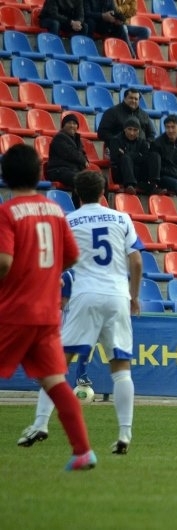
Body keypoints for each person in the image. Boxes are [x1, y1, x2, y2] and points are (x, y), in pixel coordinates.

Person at [18, 170, 143, 456]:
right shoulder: (122, 218)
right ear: (103, 192)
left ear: (76, 193)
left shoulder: (68, 220)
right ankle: (124, 434)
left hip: (85, 294)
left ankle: (40, 424)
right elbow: (136, 261)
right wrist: (134, 296)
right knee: (121, 369)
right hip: (118, 296)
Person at [0, 144, 95, 471]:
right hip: (47, 312)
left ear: (6, 175)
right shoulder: (55, 210)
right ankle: (82, 452)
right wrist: (46, 274)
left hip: (15, 311)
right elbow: (71, 256)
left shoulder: (8, 212)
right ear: (39, 174)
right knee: (55, 382)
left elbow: (4, 262)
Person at [108, 117, 162, 195]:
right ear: (124, 129)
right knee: (125, 158)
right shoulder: (115, 140)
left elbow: (145, 157)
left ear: (139, 131)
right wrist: (137, 155)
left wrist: (127, 153)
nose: (132, 133)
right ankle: (129, 185)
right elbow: (115, 158)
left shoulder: (142, 142)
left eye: (135, 130)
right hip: (121, 173)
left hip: (139, 172)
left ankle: (154, 184)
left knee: (155, 155)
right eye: (129, 129)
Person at [46, 114, 89, 204]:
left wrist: (85, 161)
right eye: (69, 123)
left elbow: (83, 154)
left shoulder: (77, 139)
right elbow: (71, 153)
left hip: (72, 170)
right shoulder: (59, 138)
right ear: (63, 125)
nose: (72, 125)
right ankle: (77, 207)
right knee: (80, 179)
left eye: (74, 123)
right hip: (58, 170)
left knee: (102, 180)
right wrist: (84, 161)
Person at [61, 269, 93, 388]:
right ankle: (52, 375)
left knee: (87, 344)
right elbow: (63, 302)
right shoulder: (68, 275)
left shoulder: (92, 274)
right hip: (70, 317)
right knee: (64, 349)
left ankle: (81, 375)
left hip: (86, 316)